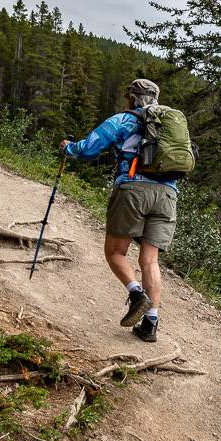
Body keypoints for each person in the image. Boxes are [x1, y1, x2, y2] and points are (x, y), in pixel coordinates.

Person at [60, 78, 177, 343]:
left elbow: (90, 148)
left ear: (132, 98)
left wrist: (68, 148)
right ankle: (151, 323)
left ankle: (137, 295)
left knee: (114, 252)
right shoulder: (169, 124)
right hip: (168, 194)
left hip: (133, 188)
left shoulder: (123, 120)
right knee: (150, 260)